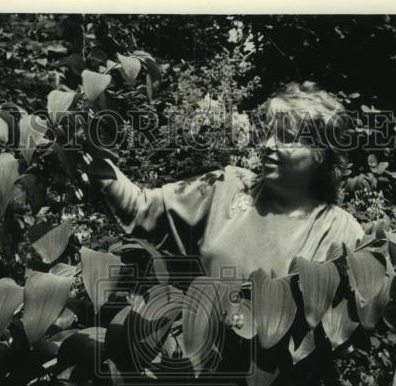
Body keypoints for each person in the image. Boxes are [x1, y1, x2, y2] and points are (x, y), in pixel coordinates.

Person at [88, 82, 365, 280]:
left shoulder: (341, 233)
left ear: (320, 156)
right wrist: (92, 157)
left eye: (287, 138)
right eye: (271, 133)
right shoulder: (228, 187)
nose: (269, 144)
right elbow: (141, 207)